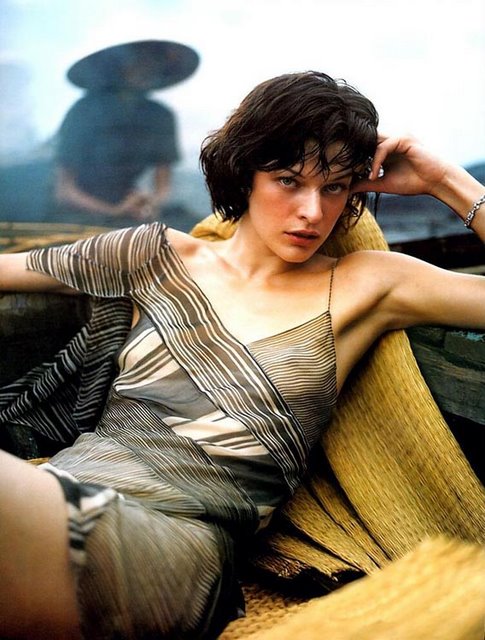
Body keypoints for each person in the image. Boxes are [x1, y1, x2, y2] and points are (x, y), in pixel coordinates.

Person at [0, 70, 484, 639]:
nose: (312, 211)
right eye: (288, 180)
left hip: (169, 552)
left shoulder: (366, 283)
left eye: (334, 187)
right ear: (243, 171)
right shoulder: (154, 255)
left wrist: (446, 181)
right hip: (58, 496)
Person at [52, 40, 199, 227]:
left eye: (153, 60)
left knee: (191, 225)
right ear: (118, 65)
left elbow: (163, 186)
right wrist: (113, 212)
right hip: (80, 211)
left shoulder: (160, 116)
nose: (148, 67)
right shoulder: (84, 111)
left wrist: (150, 203)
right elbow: (65, 191)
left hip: (129, 206)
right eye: (140, 60)